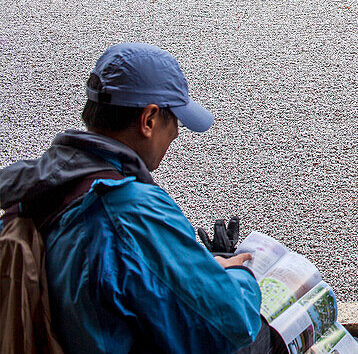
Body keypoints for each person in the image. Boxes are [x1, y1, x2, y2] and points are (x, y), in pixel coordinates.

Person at [0, 42, 265, 353]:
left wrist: (205, 266)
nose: (177, 133)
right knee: (266, 332)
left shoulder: (39, 188)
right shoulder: (128, 210)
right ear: (149, 120)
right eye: (175, 120)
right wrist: (239, 274)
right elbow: (231, 326)